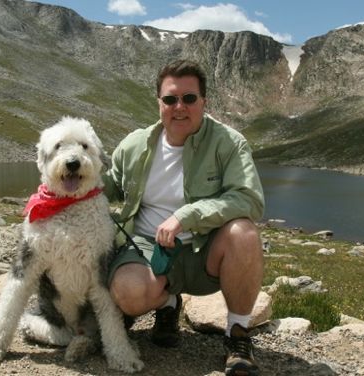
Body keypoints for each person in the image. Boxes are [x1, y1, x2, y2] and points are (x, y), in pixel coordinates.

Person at [102, 59, 265, 376]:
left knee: (244, 233)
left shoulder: (228, 143)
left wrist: (187, 215)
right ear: (159, 102)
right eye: (170, 99)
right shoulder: (134, 145)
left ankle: (238, 337)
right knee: (128, 294)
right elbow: (106, 186)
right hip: (149, 248)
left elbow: (249, 199)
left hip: (205, 249)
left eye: (189, 98)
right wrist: (62, 187)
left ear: (203, 101)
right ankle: (167, 306)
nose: (180, 107)